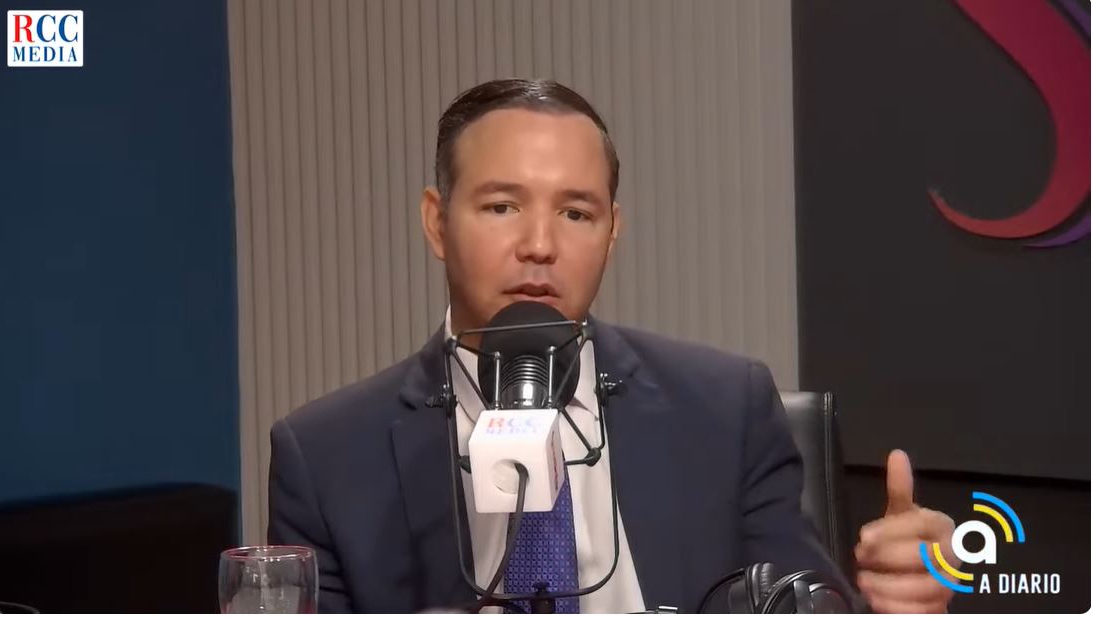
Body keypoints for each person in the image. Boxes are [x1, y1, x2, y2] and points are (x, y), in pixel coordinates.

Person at [268, 78, 956, 613]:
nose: (540, 244)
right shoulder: (327, 456)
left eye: (576, 212)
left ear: (612, 231)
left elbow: (798, 604)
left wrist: (893, 603)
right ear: (436, 222)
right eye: (502, 206)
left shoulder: (725, 410)